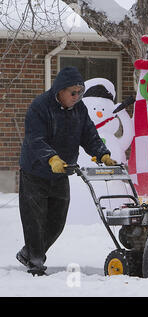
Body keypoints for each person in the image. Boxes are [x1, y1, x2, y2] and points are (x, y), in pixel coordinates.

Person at [17, 67, 117, 276]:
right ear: (60, 90)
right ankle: (35, 263)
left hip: (62, 172)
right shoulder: (40, 107)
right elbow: (35, 139)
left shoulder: (79, 109)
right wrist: (51, 158)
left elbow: (89, 134)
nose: (77, 97)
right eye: (73, 92)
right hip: (35, 172)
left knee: (56, 223)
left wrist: (102, 154)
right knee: (34, 221)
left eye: (80, 92)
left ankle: (28, 253)